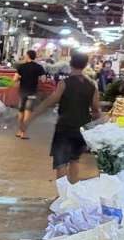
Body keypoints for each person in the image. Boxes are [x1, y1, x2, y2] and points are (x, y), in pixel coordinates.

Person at [24, 52, 101, 183]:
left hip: (64, 127)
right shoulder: (91, 86)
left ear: (71, 64)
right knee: (74, 160)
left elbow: (49, 102)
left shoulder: (64, 83)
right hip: (82, 128)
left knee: (61, 163)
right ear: (85, 65)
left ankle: (63, 197)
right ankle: (73, 195)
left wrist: (30, 117)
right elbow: (96, 110)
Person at [14, 50, 46, 139]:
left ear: (27, 56)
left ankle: (19, 131)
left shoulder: (21, 66)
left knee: (21, 111)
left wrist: (20, 78)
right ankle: (24, 133)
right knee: (28, 111)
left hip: (22, 91)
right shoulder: (39, 67)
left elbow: (15, 79)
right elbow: (43, 79)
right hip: (32, 92)